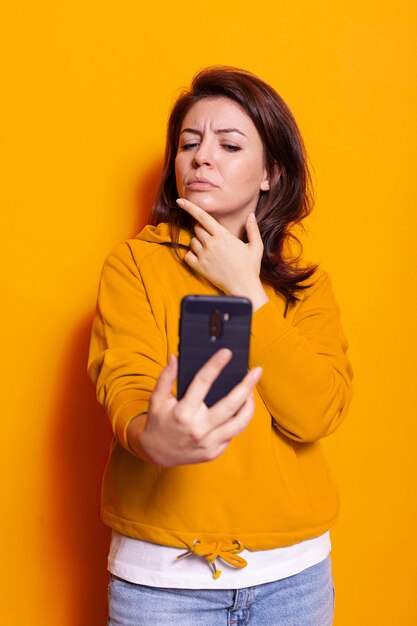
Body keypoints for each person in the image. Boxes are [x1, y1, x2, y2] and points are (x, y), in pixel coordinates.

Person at [88, 66, 353, 626]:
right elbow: (126, 383)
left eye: (229, 144)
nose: (202, 156)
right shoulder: (134, 264)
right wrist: (151, 434)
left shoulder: (306, 284)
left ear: (269, 174)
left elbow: (317, 413)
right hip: (161, 586)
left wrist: (247, 290)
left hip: (294, 579)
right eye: (189, 143)